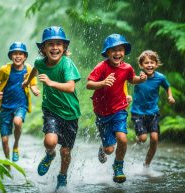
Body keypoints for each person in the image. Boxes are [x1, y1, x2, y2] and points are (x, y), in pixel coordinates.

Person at [23, 26, 81, 190]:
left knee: (65, 151)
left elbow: (70, 87)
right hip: (51, 110)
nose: (55, 48)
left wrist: (50, 82)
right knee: (50, 141)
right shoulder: (39, 62)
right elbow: (35, 70)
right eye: (50, 44)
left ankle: (62, 176)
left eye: (58, 44)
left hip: (71, 113)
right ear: (43, 48)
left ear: (64, 48)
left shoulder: (66, 64)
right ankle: (49, 155)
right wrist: (27, 83)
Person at [86, 34, 147, 183]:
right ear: (107, 53)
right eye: (113, 50)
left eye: (120, 50)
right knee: (109, 149)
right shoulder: (101, 67)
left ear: (124, 52)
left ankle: (118, 166)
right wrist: (103, 83)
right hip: (102, 112)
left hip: (119, 109)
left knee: (122, 139)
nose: (117, 53)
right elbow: (89, 84)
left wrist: (141, 79)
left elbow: (132, 79)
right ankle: (103, 146)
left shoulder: (127, 68)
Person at [0, 42, 40, 162]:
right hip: (5, 106)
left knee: (17, 122)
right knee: (4, 140)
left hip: (21, 105)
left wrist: (35, 91)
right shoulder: (5, 69)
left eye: (20, 54)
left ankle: (16, 145)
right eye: (15, 54)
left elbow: (32, 84)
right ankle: (7, 161)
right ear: (11, 56)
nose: (17, 56)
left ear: (25, 57)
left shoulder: (29, 69)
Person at [130, 50, 175, 167]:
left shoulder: (160, 77)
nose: (149, 65)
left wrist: (170, 96)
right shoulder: (138, 77)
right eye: (146, 63)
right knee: (143, 138)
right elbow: (126, 80)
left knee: (154, 139)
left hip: (153, 112)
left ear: (156, 64)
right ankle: (138, 140)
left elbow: (167, 86)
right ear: (141, 65)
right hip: (138, 112)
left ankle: (146, 164)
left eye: (152, 62)